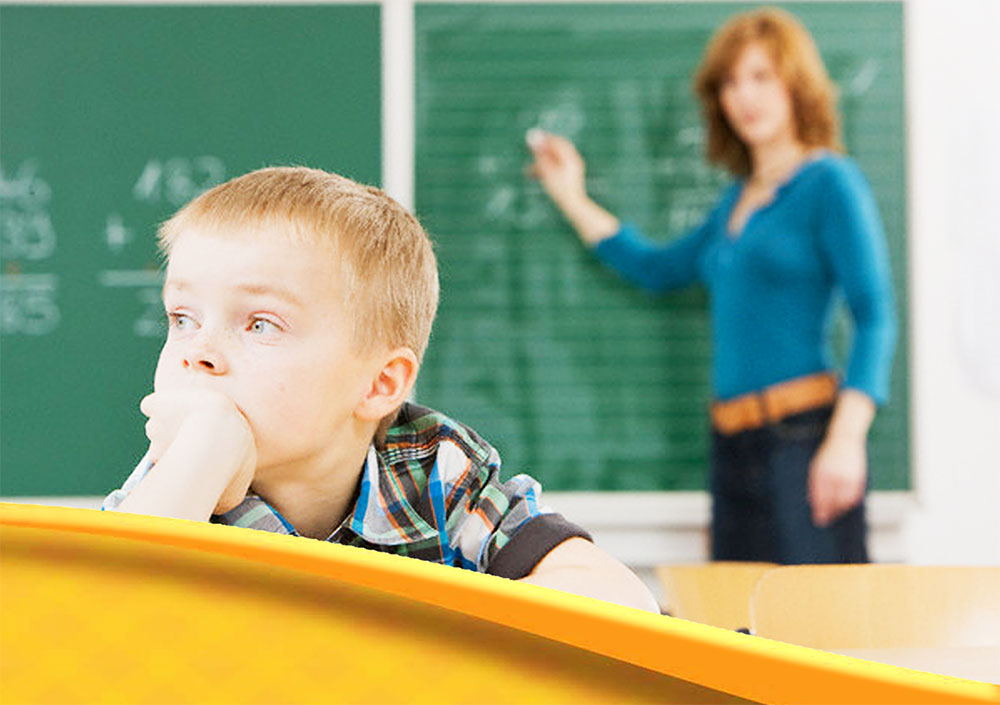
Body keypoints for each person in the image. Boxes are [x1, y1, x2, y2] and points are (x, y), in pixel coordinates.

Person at [102, 166, 658, 612]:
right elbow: (97, 616)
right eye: (182, 317)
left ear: (378, 383)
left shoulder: (434, 467)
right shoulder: (179, 482)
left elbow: (620, 599)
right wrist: (206, 451)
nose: (196, 350)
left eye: (260, 324)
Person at [527, 7, 896, 564]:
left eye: (761, 77)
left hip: (803, 441)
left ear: (796, 84)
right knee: (735, 632)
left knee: (811, 632)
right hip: (732, 446)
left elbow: (876, 315)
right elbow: (656, 268)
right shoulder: (735, 202)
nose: (743, 95)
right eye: (729, 82)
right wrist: (571, 195)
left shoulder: (831, 183)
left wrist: (846, 440)